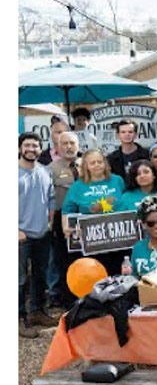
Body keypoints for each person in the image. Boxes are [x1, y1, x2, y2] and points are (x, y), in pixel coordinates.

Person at [19, 132, 54, 336]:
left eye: (35, 146)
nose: (31, 149)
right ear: (19, 148)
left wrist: (49, 222)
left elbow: (50, 199)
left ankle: (38, 312)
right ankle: (19, 319)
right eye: (27, 145)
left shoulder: (44, 171)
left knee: (40, 275)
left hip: (42, 233)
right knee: (19, 279)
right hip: (19, 235)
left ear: (40, 149)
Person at [47, 130, 82, 308]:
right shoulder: (51, 169)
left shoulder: (88, 164)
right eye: (65, 143)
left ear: (78, 145)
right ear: (57, 147)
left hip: (87, 219)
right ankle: (67, 298)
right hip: (63, 220)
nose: (69, 147)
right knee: (64, 259)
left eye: (72, 143)